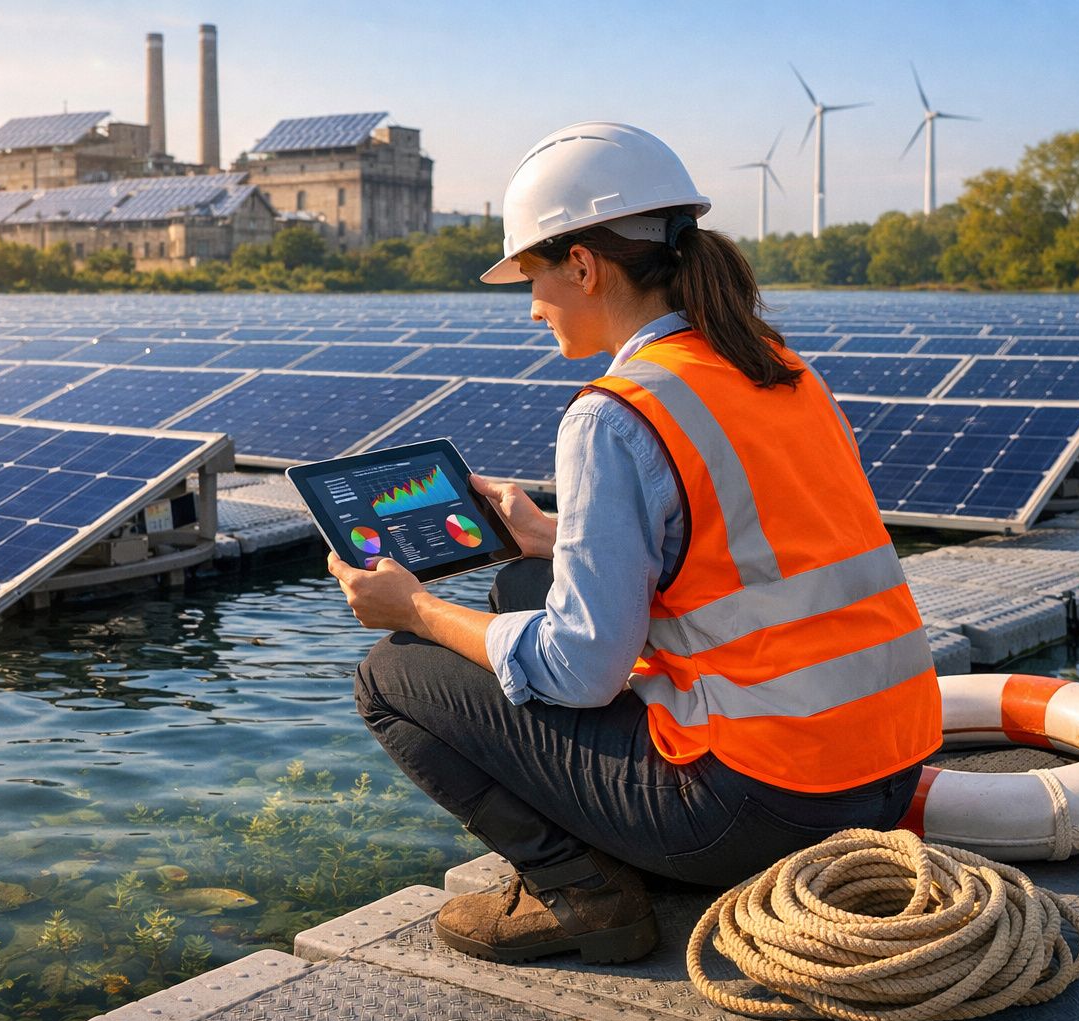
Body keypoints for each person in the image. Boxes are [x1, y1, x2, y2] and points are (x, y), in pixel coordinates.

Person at [326, 121, 942, 966]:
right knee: (523, 586)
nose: (534, 306)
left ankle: (584, 896)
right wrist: (550, 536)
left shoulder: (616, 411)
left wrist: (420, 608)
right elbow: (754, 551)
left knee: (390, 674)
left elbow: (583, 670)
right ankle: (627, 851)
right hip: (884, 778)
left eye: (533, 279)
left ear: (583, 265)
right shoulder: (775, 366)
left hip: (760, 810)